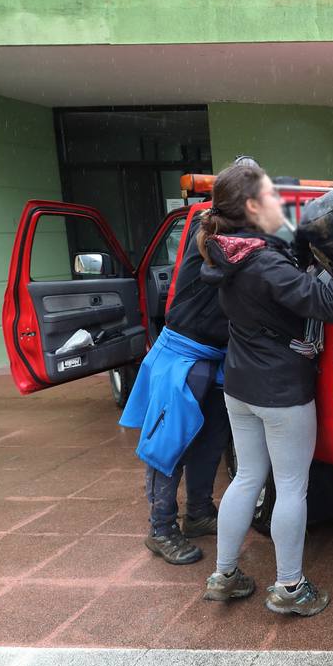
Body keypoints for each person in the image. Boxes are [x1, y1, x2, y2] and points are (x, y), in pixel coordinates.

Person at [196, 159, 333, 616]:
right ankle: (290, 587)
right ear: (253, 206)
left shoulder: (226, 250)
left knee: (247, 477)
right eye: (272, 194)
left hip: (240, 385)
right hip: (280, 390)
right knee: (292, 486)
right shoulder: (262, 264)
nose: (278, 200)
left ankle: (225, 574)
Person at [119, 200, 231, 566]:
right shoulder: (209, 249)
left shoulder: (229, 243)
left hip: (212, 361)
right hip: (181, 361)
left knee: (209, 442)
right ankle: (161, 529)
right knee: (169, 446)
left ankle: (198, 513)